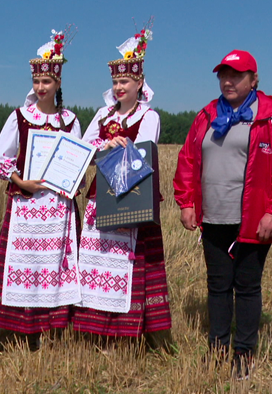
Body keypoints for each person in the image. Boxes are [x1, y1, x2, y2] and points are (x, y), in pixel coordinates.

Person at [173, 49, 272, 379]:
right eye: (223, 75)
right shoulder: (207, 115)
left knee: (246, 285)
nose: (228, 81)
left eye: (236, 75)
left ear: (253, 79)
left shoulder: (271, 115)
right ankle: (217, 349)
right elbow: (187, 160)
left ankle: (244, 353)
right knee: (217, 285)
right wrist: (186, 202)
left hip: (254, 218)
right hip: (214, 215)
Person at [0, 28, 83, 364]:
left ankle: (50, 333)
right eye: (37, 82)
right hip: (25, 205)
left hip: (59, 208)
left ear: (58, 84)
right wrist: (21, 180)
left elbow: (77, 158)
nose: (41, 87)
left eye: (47, 82)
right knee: (10, 268)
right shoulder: (19, 117)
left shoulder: (70, 120)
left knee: (55, 271)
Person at [72, 25, 172, 344]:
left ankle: (130, 333)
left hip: (131, 198)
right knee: (97, 265)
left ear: (139, 82)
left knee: (128, 268)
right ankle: (96, 332)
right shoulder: (102, 115)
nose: (118, 87)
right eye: (115, 81)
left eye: (124, 81)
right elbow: (82, 149)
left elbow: (144, 152)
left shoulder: (149, 116)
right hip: (98, 198)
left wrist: (121, 147)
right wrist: (104, 146)